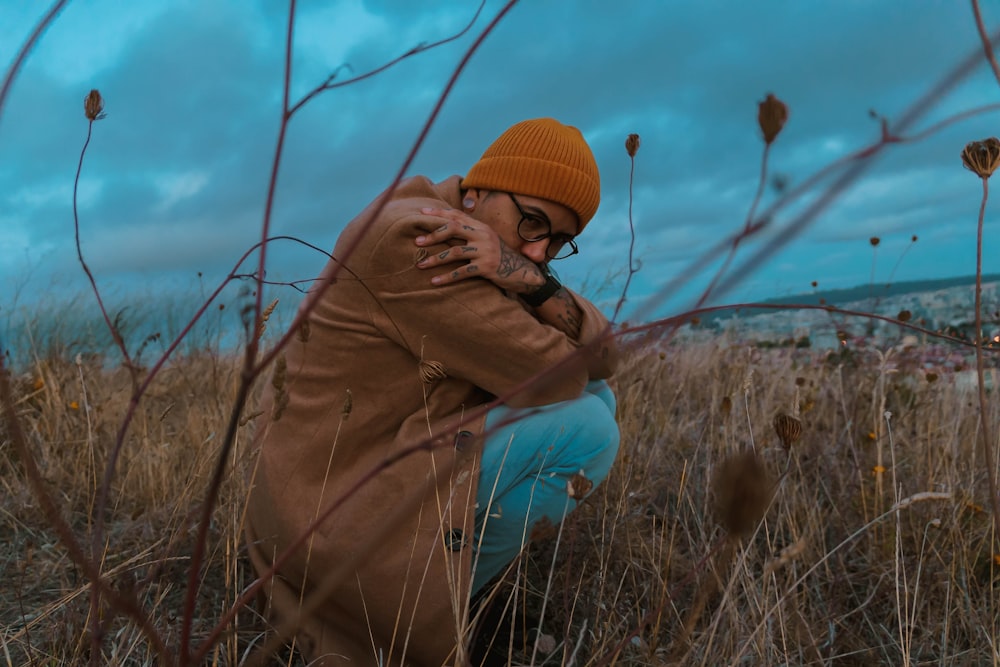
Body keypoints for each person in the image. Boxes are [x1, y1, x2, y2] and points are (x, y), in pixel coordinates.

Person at [245, 118, 621, 666]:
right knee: (588, 429)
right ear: (476, 192)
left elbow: (604, 359)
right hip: (328, 508)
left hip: (368, 467)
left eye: (560, 243)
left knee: (599, 398)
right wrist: (525, 279)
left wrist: (530, 278)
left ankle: (440, 592)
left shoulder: (485, 241)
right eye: (533, 222)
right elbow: (561, 376)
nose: (539, 251)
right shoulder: (423, 240)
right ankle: (418, 608)